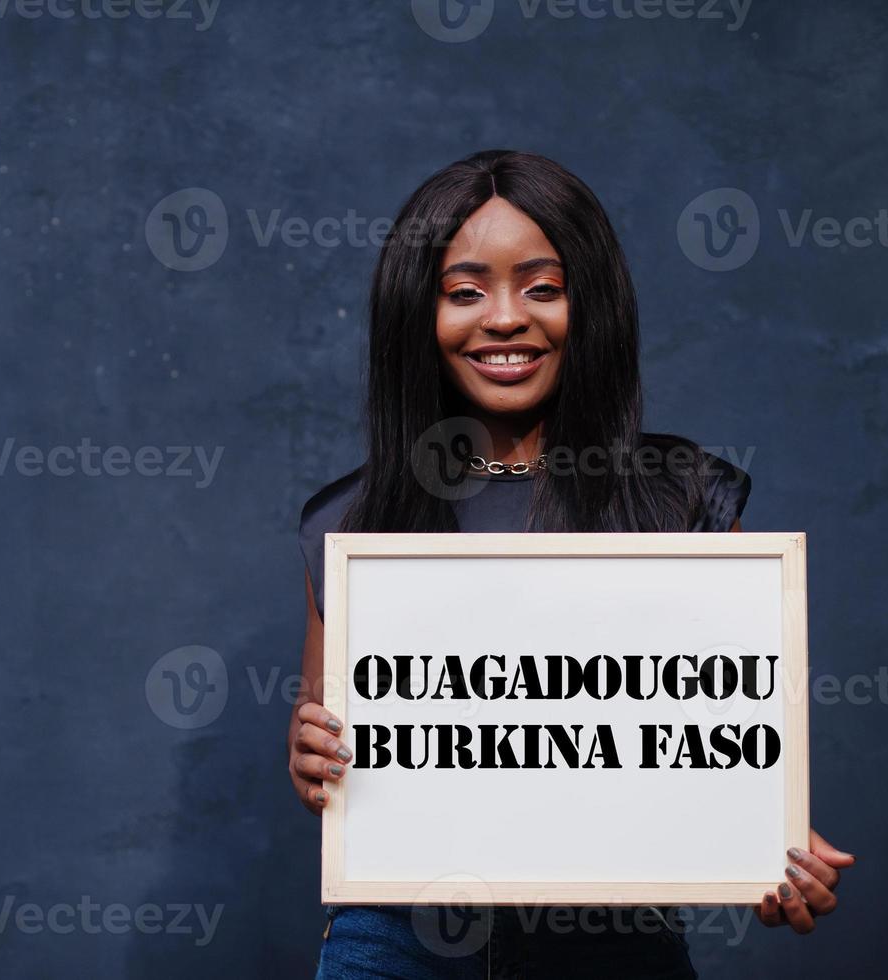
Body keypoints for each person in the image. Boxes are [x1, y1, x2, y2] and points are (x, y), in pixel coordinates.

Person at [287, 150, 855, 978]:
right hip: (398, 941)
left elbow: (722, 739)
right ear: (418, 313)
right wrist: (312, 762)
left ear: (590, 307)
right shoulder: (349, 520)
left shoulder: (679, 498)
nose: (506, 317)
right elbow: (326, 750)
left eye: (543, 288)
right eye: (465, 290)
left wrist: (765, 833)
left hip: (611, 944)